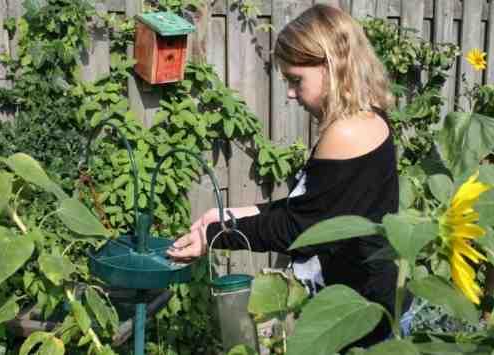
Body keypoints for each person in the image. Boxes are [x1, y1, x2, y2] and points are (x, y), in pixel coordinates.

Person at [167, 4, 412, 350]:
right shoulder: (367, 118)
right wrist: (228, 216)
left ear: (332, 65)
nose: (291, 93)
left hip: (366, 321)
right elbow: (312, 209)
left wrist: (215, 235)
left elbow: (301, 231)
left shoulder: (345, 133)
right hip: (371, 308)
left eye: (296, 80)